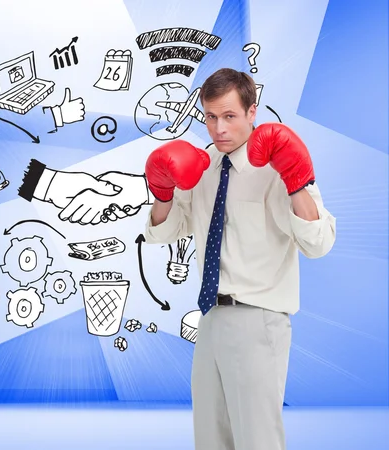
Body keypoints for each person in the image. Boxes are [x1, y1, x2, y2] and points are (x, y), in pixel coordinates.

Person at [143, 68, 337, 450]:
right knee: (210, 439)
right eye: (210, 117)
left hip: (258, 319)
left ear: (252, 113)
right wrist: (162, 192)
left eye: (229, 116)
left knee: (257, 440)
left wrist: (296, 182)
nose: (218, 129)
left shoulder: (276, 166)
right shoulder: (201, 166)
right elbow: (163, 232)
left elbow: (319, 243)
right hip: (210, 318)